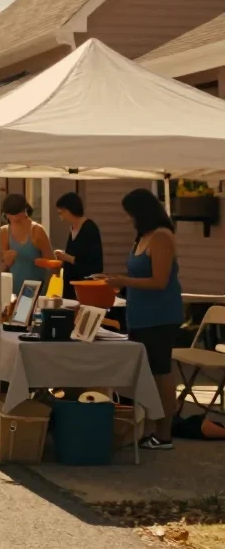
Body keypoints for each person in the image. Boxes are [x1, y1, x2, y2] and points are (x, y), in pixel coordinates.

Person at [103, 188, 183, 451]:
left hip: (159, 316)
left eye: (130, 214)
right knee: (144, 374)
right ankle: (147, 428)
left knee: (161, 372)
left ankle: (165, 433)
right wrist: (118, 284)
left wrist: (124, 281)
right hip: (138, 314)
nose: (128, 220)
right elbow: (138, 276)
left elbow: (159, 280)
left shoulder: (161, 237)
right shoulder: (141, 238)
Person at [54, 192, 104, 300]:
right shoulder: (72, 229)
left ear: (68, 210)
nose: (61, 217)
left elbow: (93, 263)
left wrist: (67, 257)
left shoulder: (89, 228)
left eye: (61, 213)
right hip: (70, 286)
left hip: (84, 287)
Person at [0, 193, 52, 294]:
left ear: (24, 212)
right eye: (8, 216)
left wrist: (43, 262)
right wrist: (5, 263)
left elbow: (54, 265)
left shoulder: (37, 231)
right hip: (12, 293)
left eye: (18, 218)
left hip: (35, 292)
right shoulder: (4, 232)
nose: (10, 219)